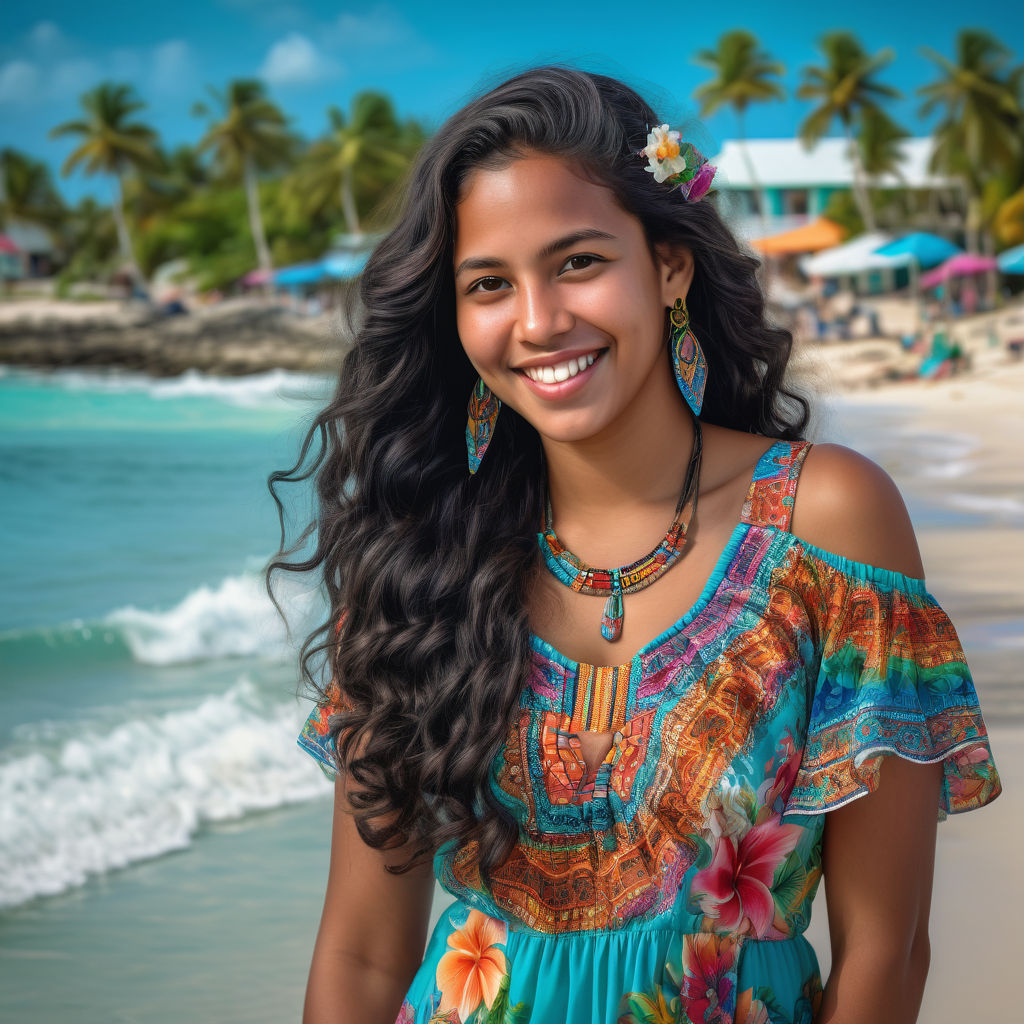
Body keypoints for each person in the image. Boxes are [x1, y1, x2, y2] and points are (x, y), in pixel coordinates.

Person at [271, 67, 1002, 1024]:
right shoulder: (419, 562)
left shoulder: (828, 520)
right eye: (489, 284)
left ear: (668, 265)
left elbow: (887, 950)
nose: (537, 322)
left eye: (578, 262)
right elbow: (363, 956)